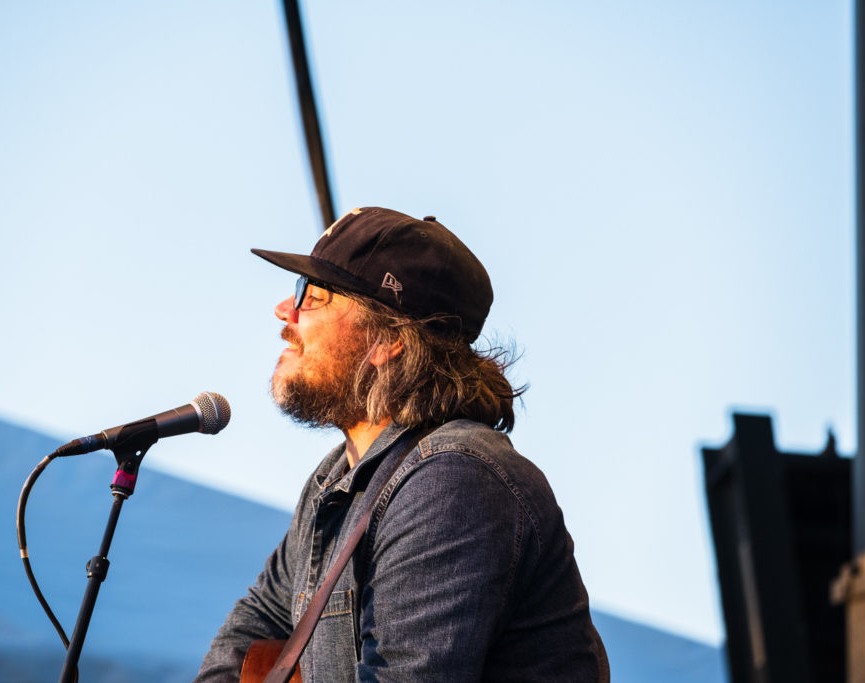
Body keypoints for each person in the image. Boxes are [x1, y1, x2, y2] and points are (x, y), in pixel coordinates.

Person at [195, 207, 608, 682]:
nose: (285, 310)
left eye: (313, 295)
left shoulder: (455, 481)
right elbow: (255, 625)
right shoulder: (334, 482)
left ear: (386, 339)